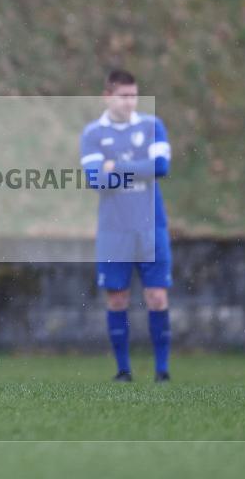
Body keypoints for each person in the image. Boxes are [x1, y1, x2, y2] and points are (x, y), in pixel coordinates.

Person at [79, 69, 172, 383]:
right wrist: (140, 170)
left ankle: (162, 371)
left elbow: (161, 167)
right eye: (123, 96)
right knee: (117, 298)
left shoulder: (152, 126)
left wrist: (117, 166)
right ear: (107, 96)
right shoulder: (93, 134)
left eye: (134, 96)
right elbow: (96, 181)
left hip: (151, 227)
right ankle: (123, 371)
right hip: (114, 231)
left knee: (157, 296)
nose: (130, 102)